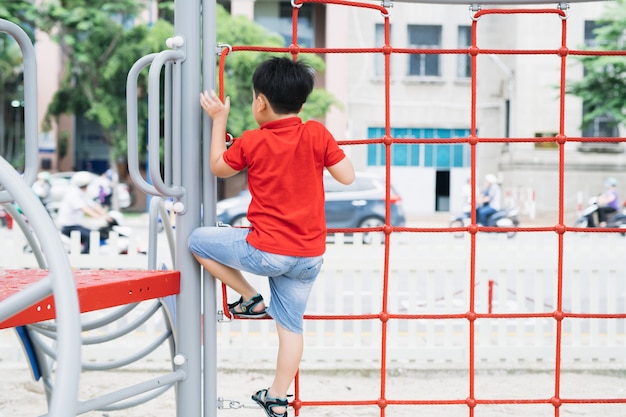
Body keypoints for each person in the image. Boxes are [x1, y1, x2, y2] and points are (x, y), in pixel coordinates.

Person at [188, 57, 355, 417]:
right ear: (303, 102)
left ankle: (250, 297)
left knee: (197, 241)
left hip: (267, 252)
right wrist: (321, 152)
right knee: (292, 328)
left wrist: (219, 121)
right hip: (309, 257)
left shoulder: (253, 141)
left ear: (260, 102)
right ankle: (277, 397)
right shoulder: (317, 133)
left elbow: (218, 166)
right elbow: (347, 176)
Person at [56, 171, 112, 253]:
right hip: (69, 226)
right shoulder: (73, 194)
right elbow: (85, 209)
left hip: (76, 225)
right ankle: (84, 256)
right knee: (92, 236)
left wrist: (105, 215)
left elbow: (93, 205)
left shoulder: (82, 193)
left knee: (95, 233)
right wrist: (100, 217)